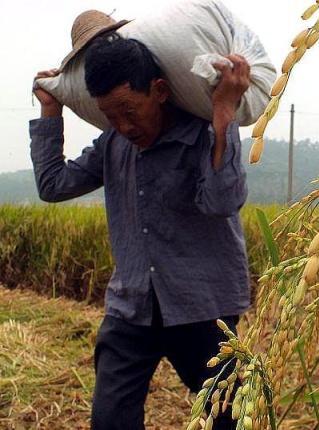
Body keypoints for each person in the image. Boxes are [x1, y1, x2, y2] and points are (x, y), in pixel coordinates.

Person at [30, 11, 251, 430]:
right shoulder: (113, 142)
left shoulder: (201, 133)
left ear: (161, 90)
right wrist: (50, 113)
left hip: (202, 306)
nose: (124, 127)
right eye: (110, 116)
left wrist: (224, 111)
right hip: (132, 306)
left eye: (130, 111)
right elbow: (53, 185)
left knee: (227, 420)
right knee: (111, 419)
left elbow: (223, 202)